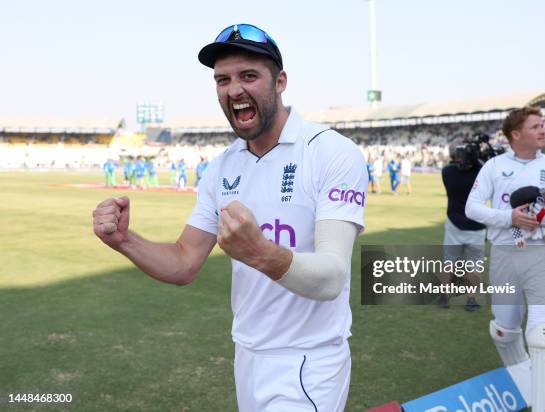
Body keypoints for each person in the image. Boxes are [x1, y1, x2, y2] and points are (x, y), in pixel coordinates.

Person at [92, 23, 367, 412]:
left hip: (309, 362)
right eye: (222, 79)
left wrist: (260, 252)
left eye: (248, 76)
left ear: (280, 82)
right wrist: (125, 240)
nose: (233, 89)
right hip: (247, 356)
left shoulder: (331, 153)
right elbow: (185, 262)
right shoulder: (222, 167)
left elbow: (331, 278)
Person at [466, 107, 545, 412]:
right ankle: (528, 385)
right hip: (503, 255)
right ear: (516, 134)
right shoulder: (493, 166)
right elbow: (472, 208)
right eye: (536, 126)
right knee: (504, 332)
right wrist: (509, 217)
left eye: (543, 125)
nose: (543, 130)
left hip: (541, 255)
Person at [439, 139, 486, 311]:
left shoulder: (447, 172)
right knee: (475, 265)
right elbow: (486, 168)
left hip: (454, 223)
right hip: (477, 225)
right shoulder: (481, 172)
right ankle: (471, 299)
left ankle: (444, 296)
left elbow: (453, 167)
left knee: (449, 262)